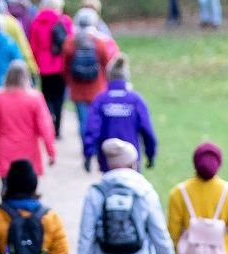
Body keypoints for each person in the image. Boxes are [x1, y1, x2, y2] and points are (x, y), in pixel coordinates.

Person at [73, 138, 176, 254]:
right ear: (133, 163)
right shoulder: (144, 191)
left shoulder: (96, 192)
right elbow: (161, 236)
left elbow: (85, 240)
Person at [80, 56, 156, 174]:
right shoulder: (135, 100)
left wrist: (88, 154)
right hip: (131, 160)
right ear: (126, 77)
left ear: (108, 77)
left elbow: (92, 129)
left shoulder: (101, 100)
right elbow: (147, 130)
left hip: (109, 160)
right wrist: (150, 154)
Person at [0, 66, 57, 179]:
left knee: (7, 188)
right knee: (28, 189)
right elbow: (45, 127)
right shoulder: (35, 98)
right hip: (28, 153)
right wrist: (51, 151)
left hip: (4, 151)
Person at [62, 9, 118, 138]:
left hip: (77, 88)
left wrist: (69, 81)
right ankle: (96, 146)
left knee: (83, 120)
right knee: (97, 118)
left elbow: (65, 66)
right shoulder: (99, 42)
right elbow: (107, 63)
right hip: (97, 87)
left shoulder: (70, 42)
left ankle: (86, 150)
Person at [26, 0, 74, 137]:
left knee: (46, 98)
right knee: (59, 98)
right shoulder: (65, 21)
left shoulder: (36, 22)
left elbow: (33, 46)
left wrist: (34, 64)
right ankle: (57, 128)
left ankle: (48, 125)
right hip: (60, 66)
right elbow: (70, 44)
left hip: (43, 67)